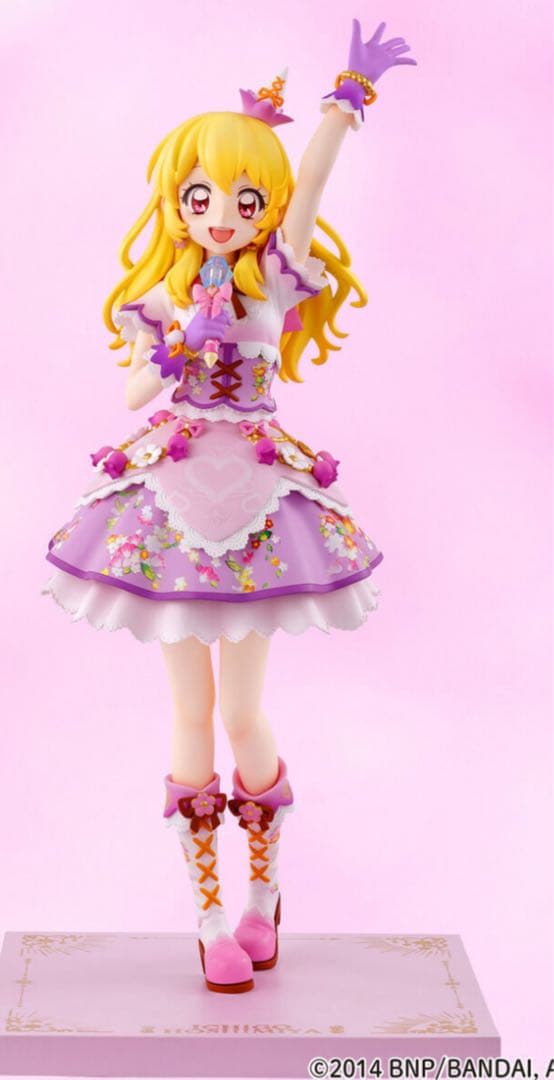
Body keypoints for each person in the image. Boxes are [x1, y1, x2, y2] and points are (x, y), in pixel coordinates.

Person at [42, 17, 416, 993]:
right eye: (200, 195)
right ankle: (207, 915)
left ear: (264, 209)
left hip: (253, 492)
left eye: (243, 198)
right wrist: (165, 363)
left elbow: (312, 187)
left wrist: (344, 101)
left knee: (244, 714)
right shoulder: (163, 299)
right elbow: (133, 388)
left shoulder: (275, 279)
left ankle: (264, 894)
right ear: (177, 200)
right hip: (170, 497)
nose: (219, 213)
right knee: (190, 712)